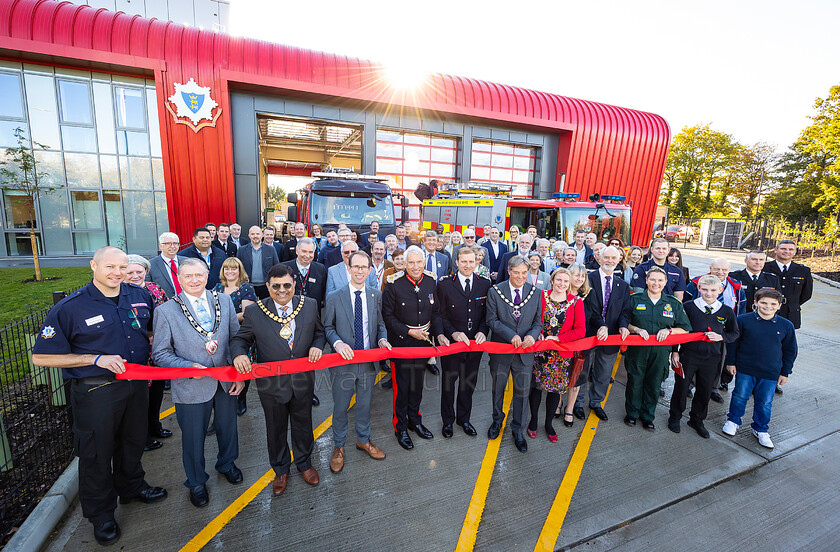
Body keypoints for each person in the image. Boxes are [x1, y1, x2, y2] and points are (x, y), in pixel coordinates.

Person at [32, 246, 167, 546]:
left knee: (133, 441)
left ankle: (132, 487)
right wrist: (94, 359)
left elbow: (149, 332)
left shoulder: (139, 296)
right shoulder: (70, 308)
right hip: (96, 390)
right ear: (93, 266)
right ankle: (101, 514)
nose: (117, 273)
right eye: (110, 267)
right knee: (96, 453)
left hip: (135, 385)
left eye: (122, 266)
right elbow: (41, 357)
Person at [151, 259, 244, 508]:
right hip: (191, 384)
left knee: (228, 428)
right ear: (179, 279)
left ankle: (227, 463)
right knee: (193, 437)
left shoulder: (223, 301)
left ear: (207, 277)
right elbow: (160, 353)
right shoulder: (166, 311)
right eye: (188, 276)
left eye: (199, 276)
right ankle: (196, 481)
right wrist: (186, 367)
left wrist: (240, 375)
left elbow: (237, 339)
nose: (194, 280)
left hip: (225, 380)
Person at [231, 264, 326, 496]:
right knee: (276, 428)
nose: (282, 290)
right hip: (271, 384)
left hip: (303, 380)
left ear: (294, 284)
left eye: (287, 285)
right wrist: (239, 353)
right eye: (276, 286)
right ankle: (281, 469)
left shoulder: (309, 305)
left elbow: (319, 333)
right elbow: (239, 339)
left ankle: (304, 463)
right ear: (267, 286)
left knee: (304, 425)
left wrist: (316, 346)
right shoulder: (255, 311)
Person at [324, 251, 390, 472]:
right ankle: (339, 446)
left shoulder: (375, 295)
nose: (360, 271)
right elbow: (328, 327)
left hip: (368, 363)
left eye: (364, 267)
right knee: (341, 407)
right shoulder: (334, 296)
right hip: (343, 363)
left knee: (364, 405)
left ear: (370, 270)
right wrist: (337, 344)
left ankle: (363, 439)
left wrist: (382, 338)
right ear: (349, 269)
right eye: (356, 267)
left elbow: (380, 323)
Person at [382, 246, 448, 450]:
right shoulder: (394, 284)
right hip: (402, 343)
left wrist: (439, 334)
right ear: (404, 263)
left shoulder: (430, 281)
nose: (416, 266)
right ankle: (400, 427)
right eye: (411, 262)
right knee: (401, 389)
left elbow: (435, 312)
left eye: (419, 262)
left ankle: (414, 421)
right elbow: (388, 317)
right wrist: (409, 332)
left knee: (417, 386)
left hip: (423, 343)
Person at [722, 289, 797, 449]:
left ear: (778, 306)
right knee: (740, 396)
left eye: (772, 304)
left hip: (770, 372)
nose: (767, 306)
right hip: (745, 368)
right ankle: (733, 420)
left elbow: (790, 351)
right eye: (763, 302)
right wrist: (731, 362)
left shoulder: (786, 326)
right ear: (756, 303)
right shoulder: (743, 320)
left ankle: (760, 428)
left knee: (764, 402)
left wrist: (785, 372)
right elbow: (733, 343)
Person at [668, 275, 739, 438]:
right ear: (699, 289)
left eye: (713, 290)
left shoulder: (726, 311)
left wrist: (722, 337)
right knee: (681, 387)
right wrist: (675, 351)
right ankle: (675, 416)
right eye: (705, 289)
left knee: (705, 390)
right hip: (688, 355)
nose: (708, 293)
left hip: (712, 358)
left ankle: (697, 419)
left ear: (720, 290)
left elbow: (734, 332)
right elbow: (676, 329)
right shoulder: (688, 307)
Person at [486, 255, 543, 452]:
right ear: (509, 271)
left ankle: (517, 430)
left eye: (524, 273)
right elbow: (491, 320)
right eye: (516, 272)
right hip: (501, 351)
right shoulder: (495, 291)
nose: (520, 277)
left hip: (525, 354)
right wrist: (511, 335)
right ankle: (497, 422)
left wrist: (533, 336)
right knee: (497, 391)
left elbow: (538, 322)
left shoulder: (536, 293)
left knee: (522, 393)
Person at [624, 267, 691, 430]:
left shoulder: (672, 303)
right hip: (637, 350)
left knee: (654, 384)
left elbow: (685, 328)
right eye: (652, 279)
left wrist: (669, 331)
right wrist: (637, 329)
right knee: (635, 382)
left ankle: (648, 416)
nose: (656, 283)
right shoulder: (634, 299)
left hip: (661, 352)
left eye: (660, 280)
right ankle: (632, 413)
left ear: (666, 282)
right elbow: (624, 322)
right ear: (646, 281)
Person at [437, 246, 491, 438]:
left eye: (472, 261)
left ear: (477, 262)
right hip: (453, 345)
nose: (468, 265)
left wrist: (483, 332)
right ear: (457, 262)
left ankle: (464, 419)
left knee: (468, 384)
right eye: (464, 261)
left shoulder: (484, 284)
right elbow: (440, 315)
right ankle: (448, 421)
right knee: (449, 384)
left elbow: (487, 316)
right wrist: (452, 333)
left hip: (474, 346)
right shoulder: (444, 285)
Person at [574, 246, 632, 421]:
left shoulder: (623, 285)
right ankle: (577, 402)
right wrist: (601, 325)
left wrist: (623, 326)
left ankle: (596, 402)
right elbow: (587, 308)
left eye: (614, 258)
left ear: (618, 260)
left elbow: (625, 311)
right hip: (588, 333)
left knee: (604, 372)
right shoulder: (587, 280)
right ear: (599, 258)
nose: (610, 261)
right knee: (582, 369)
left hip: (612, 335)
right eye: (607, 257)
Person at [528, 268, 586, 441]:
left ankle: (548, 424)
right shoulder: (540, 296)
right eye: (559, 280)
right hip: (539, 352)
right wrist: (535, 332)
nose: (562, 284)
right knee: (536, 388)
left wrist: (559, 338)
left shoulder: (576, 302)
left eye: (565, 281)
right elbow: (532, 319)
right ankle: (533, 421)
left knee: (555, 391)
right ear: (552, 280)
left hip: (561, 354)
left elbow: (581, 330)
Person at [126, 255, 171, 452]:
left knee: (156, 393)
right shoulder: (121, 292)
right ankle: (142, 437)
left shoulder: (155, 289)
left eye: (139, 271)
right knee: (139, 398)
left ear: (146, 271)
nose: (135, 275)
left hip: (157, 351)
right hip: (135, 354)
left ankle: (155, 427)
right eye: (130, 272)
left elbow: (168, 312)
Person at [761, 240, 813, 395]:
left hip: (789, 315)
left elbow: (806, 294)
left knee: (782, 350)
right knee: (762, 347)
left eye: (791, 249)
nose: (786, 252)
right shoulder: (765, 267)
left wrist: (790, 305)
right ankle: (757, 379)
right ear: (775, 250)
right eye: (783, 248)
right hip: (767, 314)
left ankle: (774, 381)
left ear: (795, 252)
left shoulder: (803, 271)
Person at [214, 256, 258, 415]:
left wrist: (223, 318)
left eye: (234, 268)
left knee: (242, 365)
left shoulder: (246, 288)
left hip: (241, 333)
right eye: (227, 268)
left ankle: (241, 398)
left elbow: (246, 313)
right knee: (225, 363)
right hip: (220, 334)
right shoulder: (217, 288)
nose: (230, 271)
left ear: (240, 271)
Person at [281, 237, 327, 307]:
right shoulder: (284, 268)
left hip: (313, 312)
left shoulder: (321, 269)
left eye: (311, 252)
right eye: (304, 251)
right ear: (297, 251)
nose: (307, 255)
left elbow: (322, 291)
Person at [237, 226, 280, 299]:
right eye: (252, 234)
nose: (255, 236)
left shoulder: (271, 250)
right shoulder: (241, 250)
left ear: (262, 235)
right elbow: (238, 268)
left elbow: (276, 267)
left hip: (266, 285)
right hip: (248, 285)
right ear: (249, 236)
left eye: (257, 234)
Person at [147, 231, 186, 299]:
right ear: (160, 246)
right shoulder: (150, 265)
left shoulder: (187, 262)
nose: (172, 246)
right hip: (164, 304)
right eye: (168, 243)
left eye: (175, 243)